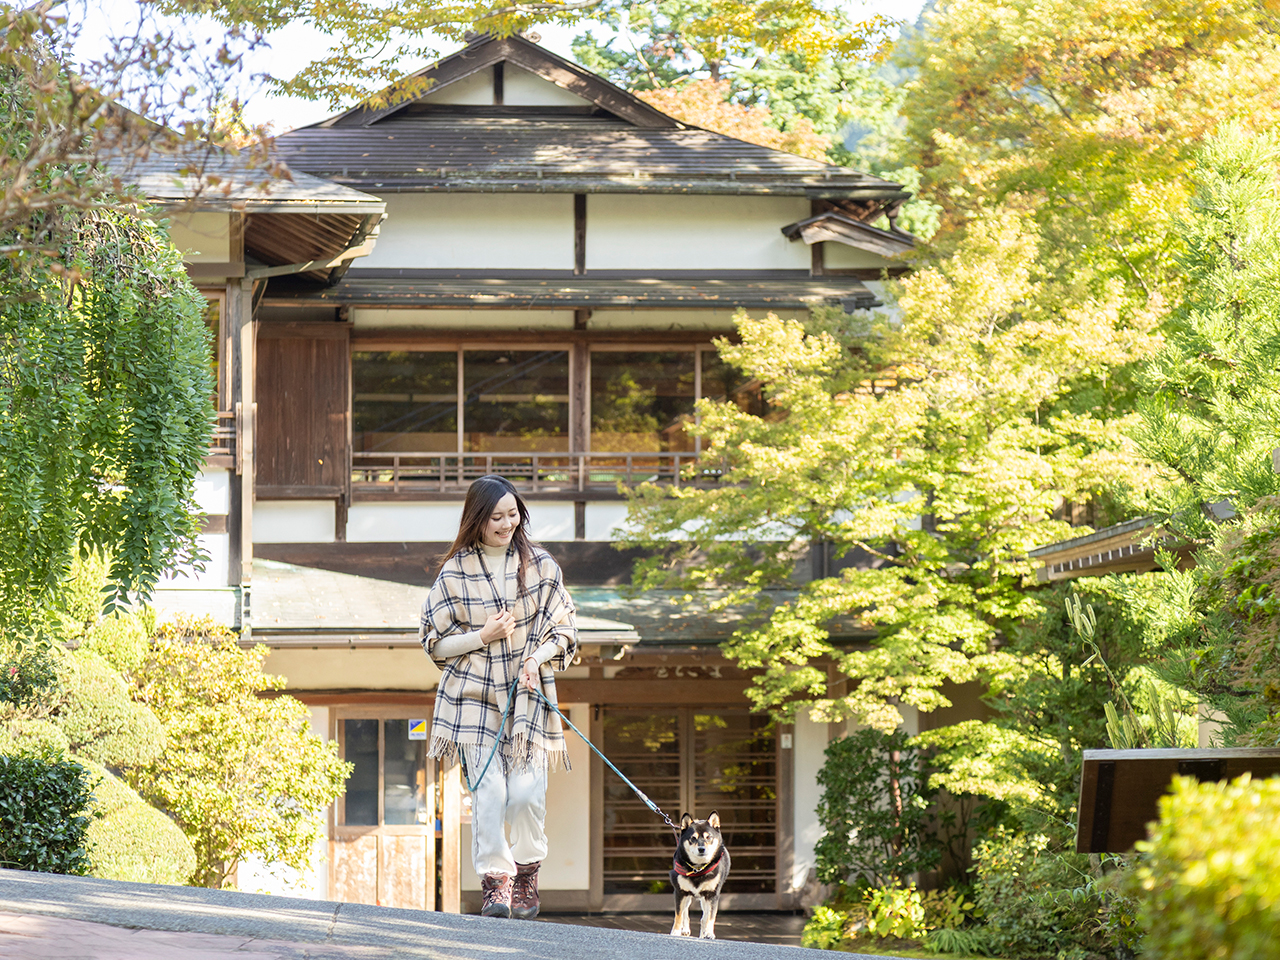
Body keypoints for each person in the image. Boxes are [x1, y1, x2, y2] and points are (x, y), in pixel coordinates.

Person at [420, 474, 577, 920]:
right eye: (497, 517)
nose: (507, 524)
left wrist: (536, 658)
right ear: (477, 519)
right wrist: (481, 636)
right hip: (471, 696)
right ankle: (496, 884)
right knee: (488, 792)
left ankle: (527, 870)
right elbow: (434, 643)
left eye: (513, 514)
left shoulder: (541, 565)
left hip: (528, 694)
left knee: (526, 795)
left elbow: (565, 629)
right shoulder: (455, 571)